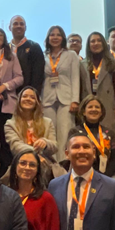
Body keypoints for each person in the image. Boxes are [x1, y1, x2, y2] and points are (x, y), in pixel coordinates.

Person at [43, 26, 86, 161]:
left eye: (58, 35)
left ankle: (64, 163)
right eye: (52, 35)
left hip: (66, 99)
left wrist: (75, 100)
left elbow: (75, 78)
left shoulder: (71, 55)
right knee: (49, 133)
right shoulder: (43, 56)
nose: (55, 37)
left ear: (63, 38)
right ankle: (51, 165)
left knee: (65, 132)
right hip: (47, 99)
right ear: (48, 38)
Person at [5, 86, 59, 174]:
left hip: (46, 164)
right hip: (22, 162)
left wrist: (45, 143)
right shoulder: (10, 124)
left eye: (32, 97)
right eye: (25, 96)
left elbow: (55, 146)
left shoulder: (47, 122)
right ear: (19, 100)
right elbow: (16, 146)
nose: (28, 99)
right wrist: (35, 156)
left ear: (37, 102)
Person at [85, 32, 115, 139]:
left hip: (108, 104)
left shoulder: (111, 62)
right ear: (88, 45)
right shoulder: (82, 64)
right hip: (88, 104)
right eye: (92, 41)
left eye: (99, 40)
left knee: (109, 135)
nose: (96, 43)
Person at [75, 94, 115, 176]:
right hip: (82, 174)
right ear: (83, 112)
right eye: (90, 107)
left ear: (101, 112)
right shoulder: (75, 132)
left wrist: (105, 177)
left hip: (108, 176)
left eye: (97, 107)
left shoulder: (109, 132)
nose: (94, 109)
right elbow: (74, 157)